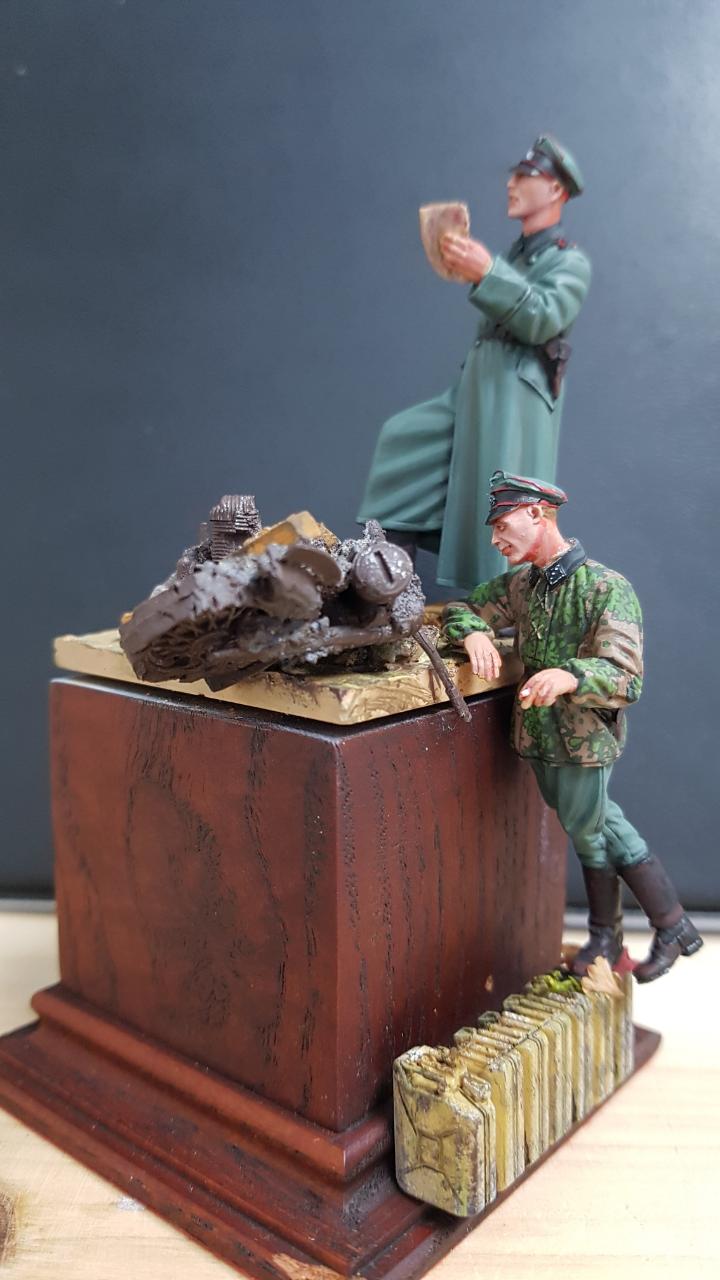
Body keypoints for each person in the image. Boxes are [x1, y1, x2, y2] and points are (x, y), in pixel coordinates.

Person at [442, 470, 703, 983]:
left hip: (583, 741)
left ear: (536, 514)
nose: (495, 540)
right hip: (538, 738)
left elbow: (625, 678)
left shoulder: (606, 588)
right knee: (586, 833)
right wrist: (474, 634)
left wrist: (571, 675)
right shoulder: (523, 585)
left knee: (594, 826)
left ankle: (671, 924)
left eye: (502, 526)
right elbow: (463, 607)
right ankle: (611, 937)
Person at [357, 135, 591, 591]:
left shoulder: (569, 261)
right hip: (478, 385)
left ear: (555, 190)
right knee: (404, 440)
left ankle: (499, 603)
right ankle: (386, 583)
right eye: (513, 175)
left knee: (504, 498)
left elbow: (544, 317)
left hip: (514, 393)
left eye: (525, 176)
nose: (511, 184)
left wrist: (488, 272)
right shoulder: (516, 255)